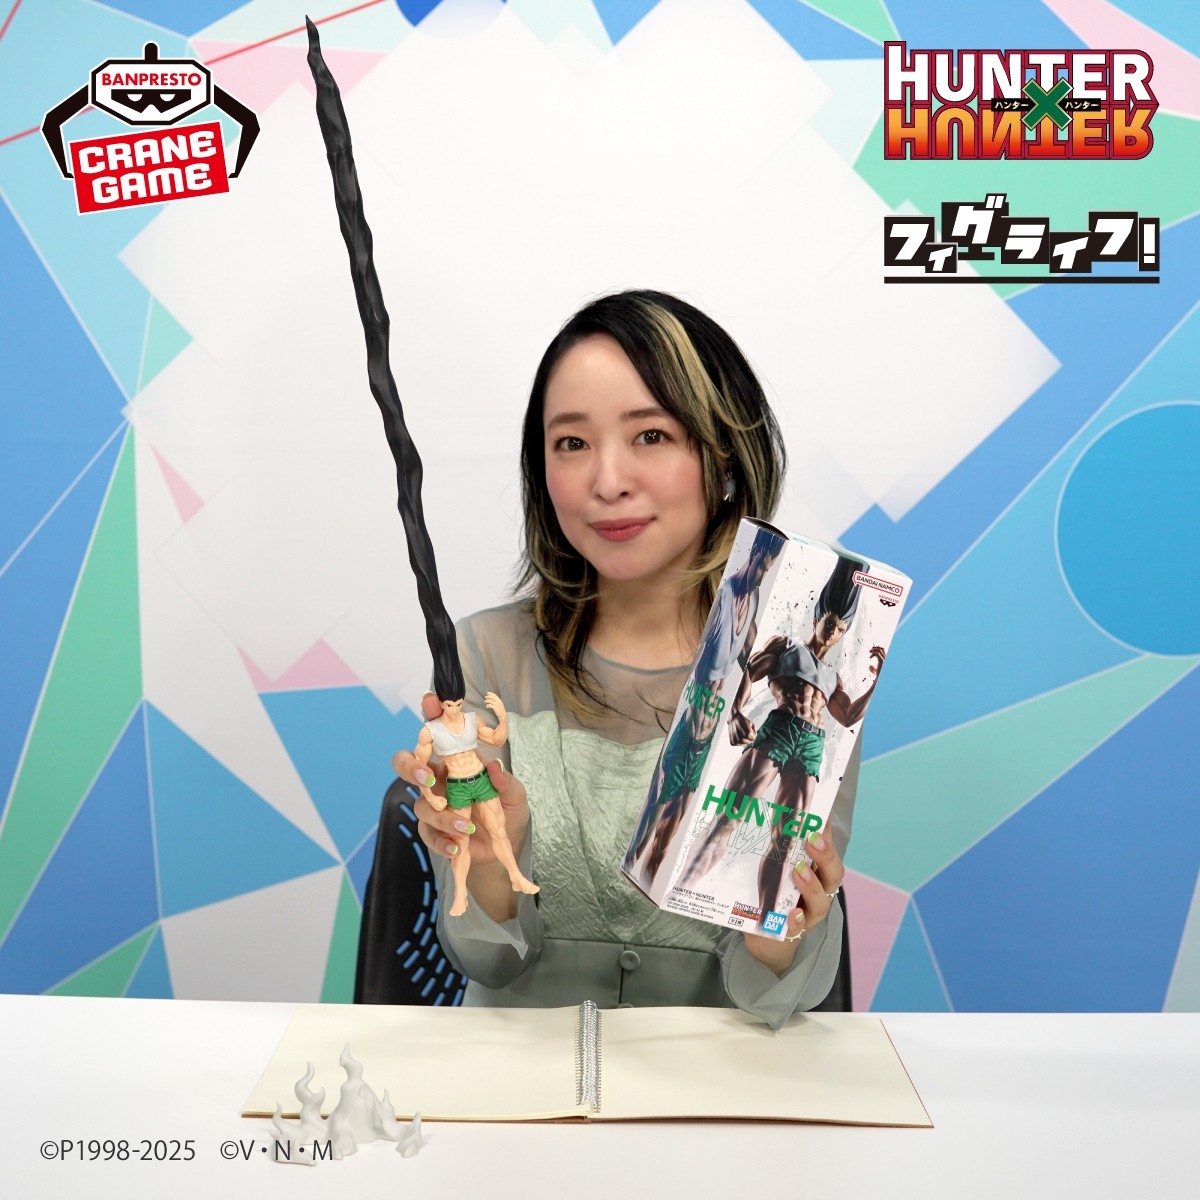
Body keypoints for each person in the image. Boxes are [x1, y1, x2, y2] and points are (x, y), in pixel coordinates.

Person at [393, 290, 854, 1029]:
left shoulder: (800, 672)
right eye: (572, 443)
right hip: (522, 1076)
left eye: (651, 435)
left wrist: (783, 928)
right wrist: (484, 860)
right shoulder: (483, 655)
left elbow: (780, 999)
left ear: (726, 460)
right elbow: (488, 962)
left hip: (721, 1082)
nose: (607, 481)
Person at [680, 556, 885, 920]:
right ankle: (681, 888)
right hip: (779, 729)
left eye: (840, 629)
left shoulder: (832, 677)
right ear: (817, 618)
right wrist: (736, 712)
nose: (833, 632)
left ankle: (768, 920)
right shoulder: (787, 647)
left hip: (811, 746)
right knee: (729, 816)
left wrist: (874, 681)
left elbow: (849, 716)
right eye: (830, 622)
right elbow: (749, 672)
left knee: (786, 843)